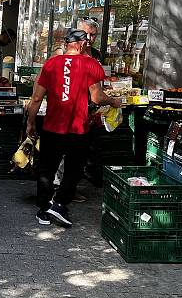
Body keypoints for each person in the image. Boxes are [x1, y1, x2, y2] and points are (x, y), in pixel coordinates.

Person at [26, 29, 121, 228]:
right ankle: (60, 203)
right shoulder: (90, 64)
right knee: (74, 170)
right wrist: (113, 101)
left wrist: (31, 122)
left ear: (67, 43)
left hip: (52, 126)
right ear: (83, 43)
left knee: (47, 169)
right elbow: (96, 97)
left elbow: (36, 98)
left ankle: (44, 210)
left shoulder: (51, 64)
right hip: (78, 129)